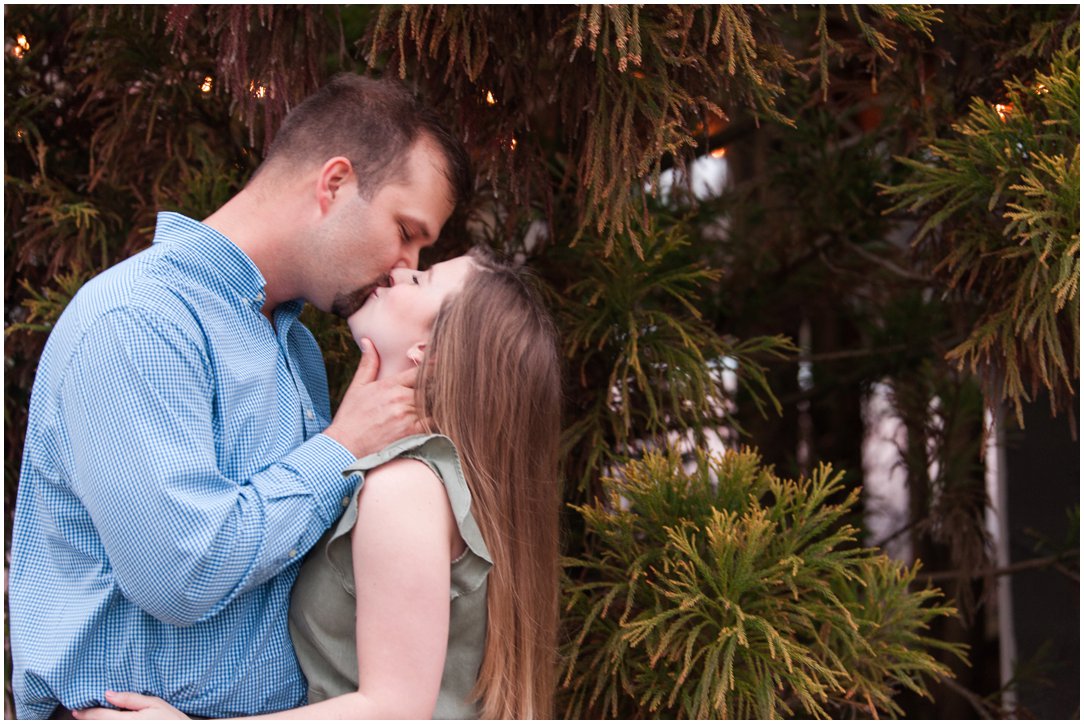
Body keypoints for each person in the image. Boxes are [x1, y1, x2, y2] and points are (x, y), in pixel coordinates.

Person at [8, 74, 471, 720]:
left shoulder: (300, 354)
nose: (402, 265)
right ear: (334, 184)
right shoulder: (139, 323)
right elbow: (181, 572)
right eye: (406, 230)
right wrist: (338, 451)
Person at [73, 246, 563, 720]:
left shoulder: (405, 488)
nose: (398, 271)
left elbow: (393, 710)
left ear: (429, 353)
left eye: (421, 280)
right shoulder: (427, 478)